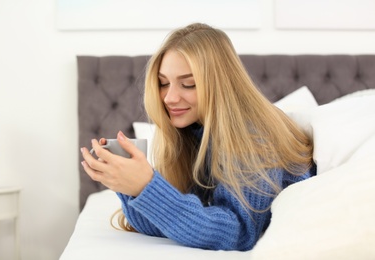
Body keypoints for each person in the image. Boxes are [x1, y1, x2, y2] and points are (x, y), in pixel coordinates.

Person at [80, 23, 316, 251]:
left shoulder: (251, 133)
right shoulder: (194, 133)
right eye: (163, 83)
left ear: (220, 85)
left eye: (188, 84)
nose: (169, 97)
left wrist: (146, 186)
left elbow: (241, 232)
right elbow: (176, 225)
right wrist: (129, 186)